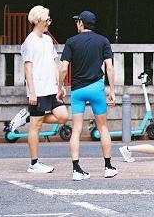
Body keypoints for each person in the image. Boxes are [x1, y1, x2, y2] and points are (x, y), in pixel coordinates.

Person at [58, 11, 117, 181]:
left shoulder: (71, 42)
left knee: (76, 129)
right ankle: (108, 167)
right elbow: (109, 68)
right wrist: (112, 91)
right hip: (96, 87)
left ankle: (76, 169)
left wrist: (59, 88)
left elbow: (63, 68)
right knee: (103, 127)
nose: (76, 24)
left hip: (77, 90)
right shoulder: (103, 41)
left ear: (81, 23)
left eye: (77, 21)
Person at [20, 5, 69, 174]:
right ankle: (34, 163)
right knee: (36, 127)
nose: (49, 22)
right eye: (47, 19)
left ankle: (32, 118)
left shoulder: (47, 40)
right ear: (39, 21)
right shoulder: (29, 41)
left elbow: (55, 64)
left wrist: (60, 86)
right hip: (38, 90)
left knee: (63, 116)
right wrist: (32, 92)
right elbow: (27, 68)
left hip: (51, 88)